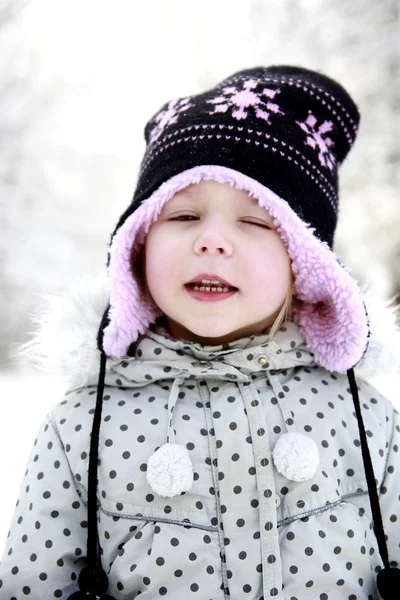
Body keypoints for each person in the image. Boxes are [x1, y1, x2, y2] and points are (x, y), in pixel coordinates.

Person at [1, 65, 399, 600]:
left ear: (304, 264)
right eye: (183, 216)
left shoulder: (368, 422)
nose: (212, 241)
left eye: (256, 222)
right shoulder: (79, 431)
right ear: (137, 247)